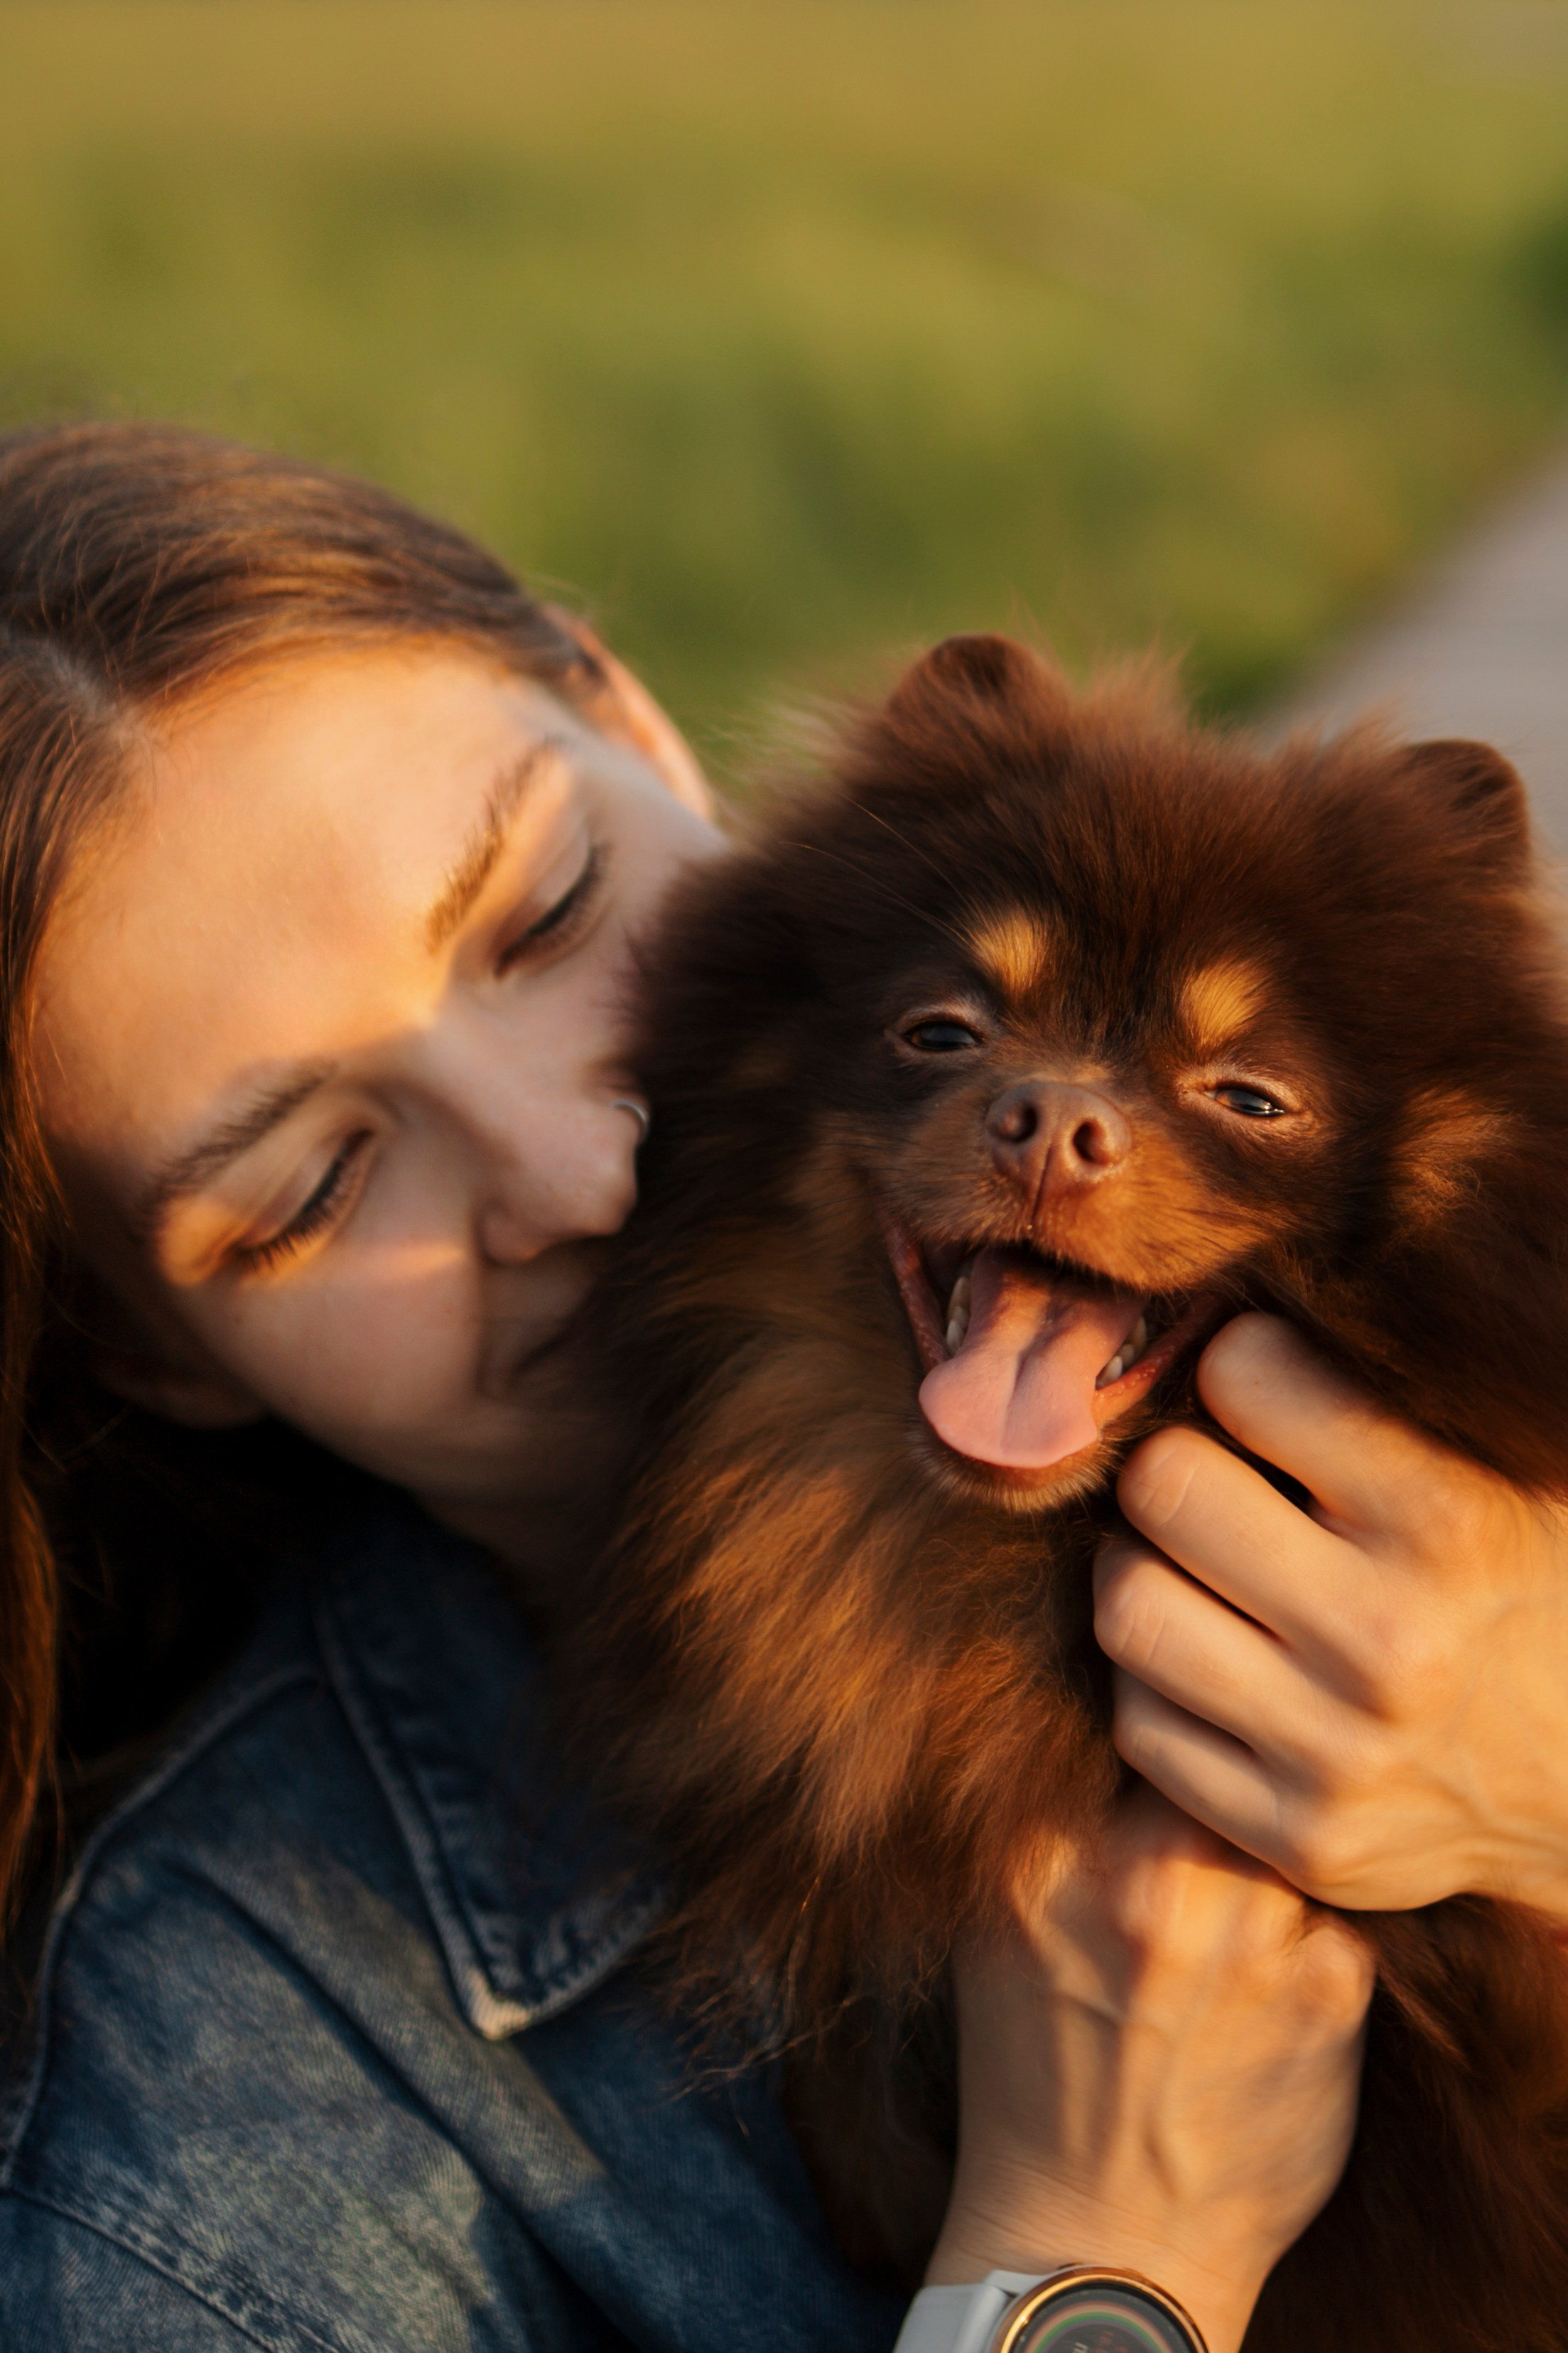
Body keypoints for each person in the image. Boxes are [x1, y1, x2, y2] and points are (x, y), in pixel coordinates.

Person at [0, 422, 1551, 2352]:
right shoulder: (215, 2160)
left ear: (639, 722)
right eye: (313, 1186)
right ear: (156, 1348)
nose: (572, 1172)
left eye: (550, 913)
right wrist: (1089, 2256)